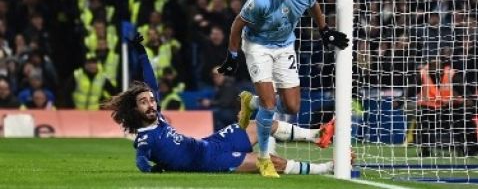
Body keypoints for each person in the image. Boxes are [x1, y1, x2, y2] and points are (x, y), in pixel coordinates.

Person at [103, 33, 336, 175]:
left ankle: (317, 135)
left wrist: (141, 52)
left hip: (211, 143)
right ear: (136, 110)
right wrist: (153, 168)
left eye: (152, 100)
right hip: (211, 161)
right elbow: (141, 161)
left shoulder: (158, 118)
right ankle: (325, 168)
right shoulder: (145, 138)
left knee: (261, 124)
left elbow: (151, 83)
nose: (152, 104)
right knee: (268, 161)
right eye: (144, 102)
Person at [216, 0, 348, 177]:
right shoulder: (260, 0)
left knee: (292, 107)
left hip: (285, 47)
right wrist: (232, 56)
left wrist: (324, 31)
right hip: (258, 47)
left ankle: (251, 102)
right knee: (269, 105)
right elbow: (237, 24)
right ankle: (264, 158)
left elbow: (314, 6)